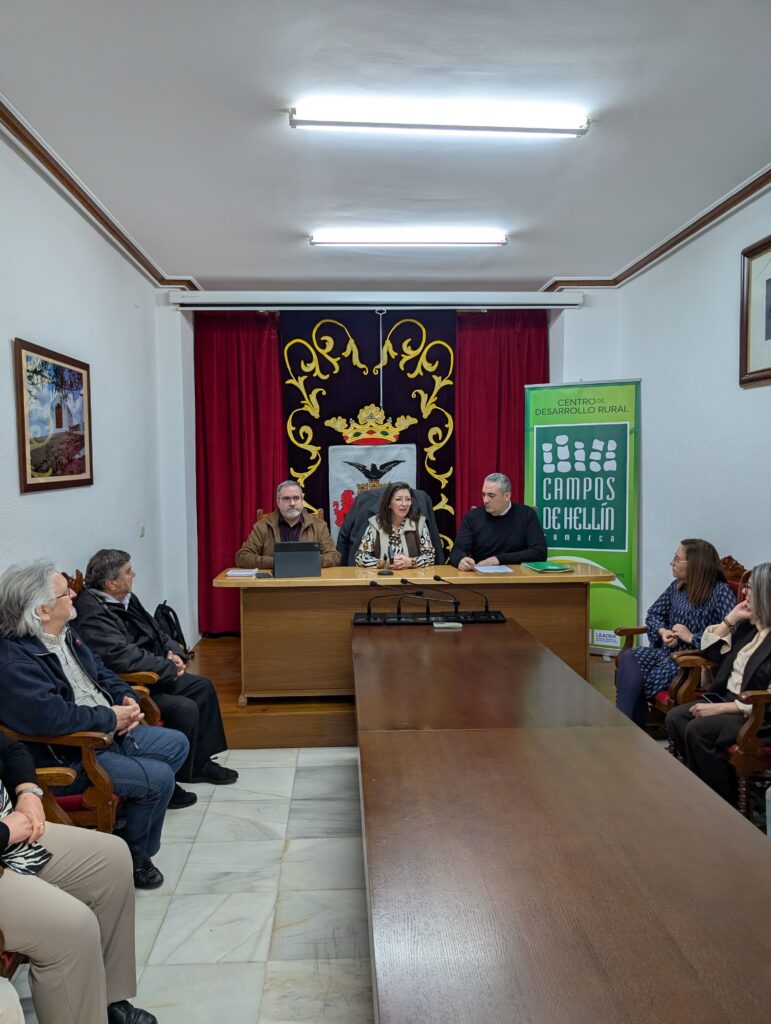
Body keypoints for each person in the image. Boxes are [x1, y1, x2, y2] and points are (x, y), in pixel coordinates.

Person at [0, 562, 189, 891]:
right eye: (65, 593)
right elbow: (55, 718)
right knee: (159, 779)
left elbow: (101, 671)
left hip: (107, 730)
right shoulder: (15, 662)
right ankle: (135, 858)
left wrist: (127, 698)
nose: (75, 594)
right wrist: (111, 718)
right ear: (43, 611)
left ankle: (128, 820)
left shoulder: (65, 633)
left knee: (176, 745)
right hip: (71, 754)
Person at [0, 731, 157, 1024]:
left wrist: (28, 793)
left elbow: (11, 750)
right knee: (72, 926)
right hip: (6, 837)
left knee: (110, 858)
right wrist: (6, 832)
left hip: (12, 834)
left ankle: (108, 1003)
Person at [74, 550, 237, 799]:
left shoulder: (126, 598)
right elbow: (122, 657)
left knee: (202, 687)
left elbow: (158, 631)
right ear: (111, 583)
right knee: (184, 708)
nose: (134, 574)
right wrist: (167, 666)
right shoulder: (92, 613)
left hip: (156, 671)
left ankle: (198, 764)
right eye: (128, 572)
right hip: (135, 682)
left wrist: (176, 653)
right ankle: (170, 779)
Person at [665, 562, 771, 805]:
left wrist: (721, 708)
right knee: (676, 718)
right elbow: (709, 652)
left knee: (699, 730)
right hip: (730, 700)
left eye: (750, 588)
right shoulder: (749, 626)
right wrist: (730, 619)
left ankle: (723, 803)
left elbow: (766, 697)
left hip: (758, 715)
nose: (744, 592)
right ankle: (705, 782)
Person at [615, 539, 736, 727]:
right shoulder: (678, 586)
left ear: (695, 564)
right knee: (629, 657)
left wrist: (691, 637)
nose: (671, 563)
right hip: (666, 653)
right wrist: (663, 631)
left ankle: (624, 726)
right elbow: (654, 614)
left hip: (690, 663)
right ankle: (627, 724)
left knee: (635, 679)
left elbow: (731, 635)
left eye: (677, 559)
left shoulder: (720, 592)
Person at [449, 472, 547, 571]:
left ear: (507, 496)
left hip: (518, 575)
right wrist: (461, 560)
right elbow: (457, 550)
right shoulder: (472, 517)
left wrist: (498, 559)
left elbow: (539, 552)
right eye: (483, 494)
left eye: (491, 495)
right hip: (481, 575)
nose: (485, 500)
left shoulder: (526, 514)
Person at [235, 480, 342, 570]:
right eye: (286, 498)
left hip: (308, 582)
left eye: (296, 498)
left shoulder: (319, 526)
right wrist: (278, 562)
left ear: (302, 500)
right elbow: (242, 557)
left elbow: (334, 556)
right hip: (274, 584)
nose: (292, 503)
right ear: (278, 501)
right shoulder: (262, 527)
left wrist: (305, 561)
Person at [354, 482, 435, 569]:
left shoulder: (419, 523)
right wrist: (385, 563)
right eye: (398, 499)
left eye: (408, 499)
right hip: (383, 576)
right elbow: (360, 558)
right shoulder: (376, 523)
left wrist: (411, 562)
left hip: (411, 575)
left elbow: (430, 556)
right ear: (389, 503)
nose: (404, 504)